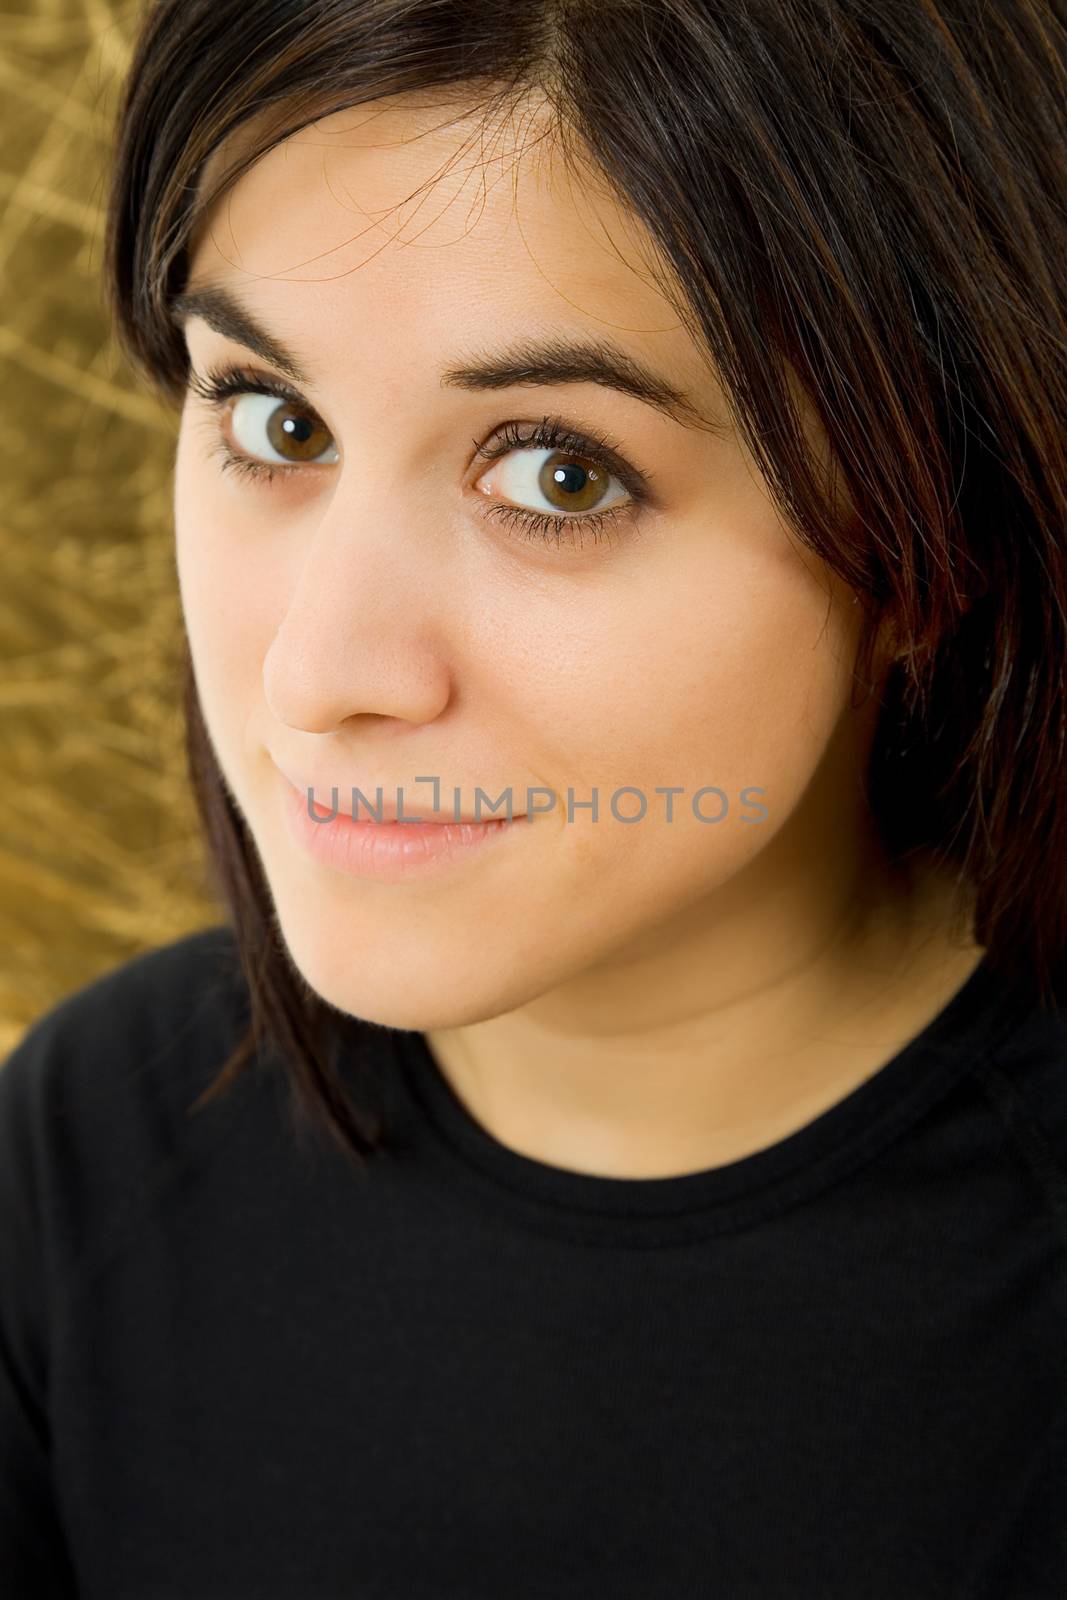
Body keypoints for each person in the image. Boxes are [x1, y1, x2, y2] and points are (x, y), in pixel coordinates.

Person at [2, 2, 1065, 1595]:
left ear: (934, 533)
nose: (320, 672)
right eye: (273, 420)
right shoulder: (86, 1145)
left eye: (560, 474)